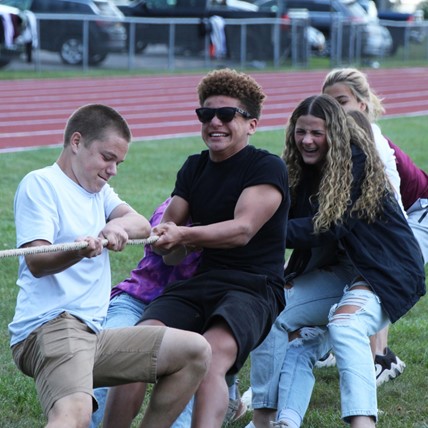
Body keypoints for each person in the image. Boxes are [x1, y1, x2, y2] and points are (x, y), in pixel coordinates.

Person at [102, 68, 290, 428]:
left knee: (211, 359)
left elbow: (242, 230)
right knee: (135, 350)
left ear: (251, 124)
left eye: (226, 115)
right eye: (206, 114)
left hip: (253, 286)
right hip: (202, 281)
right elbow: (167, 239)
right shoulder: (193, 167)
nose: (214, 122)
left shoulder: (266, 166)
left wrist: (185, 236)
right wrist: (162, 241)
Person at [8, 103, 211, 428]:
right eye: (107, 157)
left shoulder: (98, 191)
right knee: (74, 415)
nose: (113, 169)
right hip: (52, 327)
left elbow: (141, 224)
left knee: (195, 351)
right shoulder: (42, 183)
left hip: (95, 333)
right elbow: (37, 261)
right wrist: (80, 250)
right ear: (77, 142)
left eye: (118, 161)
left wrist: (114, 229)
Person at [246, 94, 425, 428]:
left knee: (346, 326)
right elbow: (286, 219)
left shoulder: (355, 161)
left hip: (385, 269)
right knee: (269, 309)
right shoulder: (298, 168)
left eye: (317, 132)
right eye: (301, 132)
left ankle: (362, 424)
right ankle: (266, 418)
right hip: (340, 269)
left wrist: (257, 229)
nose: (307, 140)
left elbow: (327, 225)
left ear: (335, 134)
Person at [90, 197, 246, 428]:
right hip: (139, 300)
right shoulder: (173, 209)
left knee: (199, 369)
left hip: (193, 316)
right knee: (109, 364)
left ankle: (229, 391)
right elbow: (167, 253)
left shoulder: (239, 217)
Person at [322, 67, 428, 385]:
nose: (335, 111)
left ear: (362, 104)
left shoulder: (375, 144)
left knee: (377, 267)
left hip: (419, 211)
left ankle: (381, 359)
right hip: (401, 211)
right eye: (329, 104)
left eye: (342, 101)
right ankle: (351, 347)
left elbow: (390, 215)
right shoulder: (336, 139)